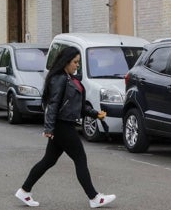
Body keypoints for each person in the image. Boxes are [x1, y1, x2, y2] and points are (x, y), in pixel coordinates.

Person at [14, 46, 116, 208]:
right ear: (65, 62)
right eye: (75, 62)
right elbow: (53, 104)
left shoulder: (69, 78)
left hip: (63, 125)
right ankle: (94, 198)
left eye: (78, 62)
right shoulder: (60, 79)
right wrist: (49, 129)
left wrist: (96, 114)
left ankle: (24, 191)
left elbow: (78, 107)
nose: (77, 65)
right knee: (80, 159)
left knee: (48, 161)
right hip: (62, 126)